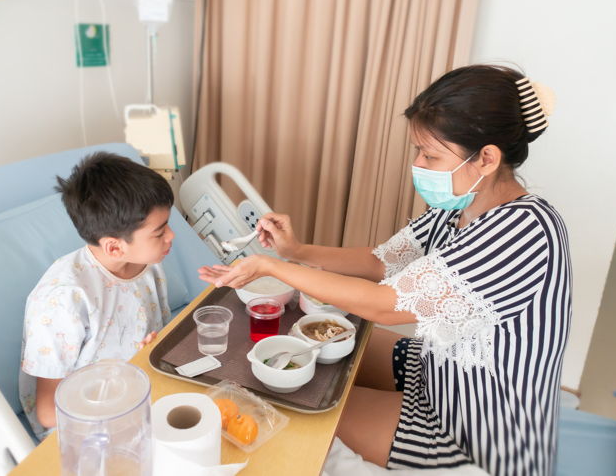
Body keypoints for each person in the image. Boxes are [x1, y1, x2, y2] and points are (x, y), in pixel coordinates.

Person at [199, 65, 571, 475]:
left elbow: (385, 305)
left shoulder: (522, 231)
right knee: (320, 345)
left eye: (430, 154)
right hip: (441, 370)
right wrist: (296, 249)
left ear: (486, 158)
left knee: (301, 408)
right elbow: (379, 262)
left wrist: (274, 266)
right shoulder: (462, 207)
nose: (418, 164)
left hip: (481, 426)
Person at [19, 152, 175, 438]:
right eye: (159, 232)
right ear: (115, 248)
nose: (172, 236)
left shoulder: (146, 264)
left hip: (144, 385)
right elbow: (48, 414)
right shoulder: (65, 300)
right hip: (84, 424)